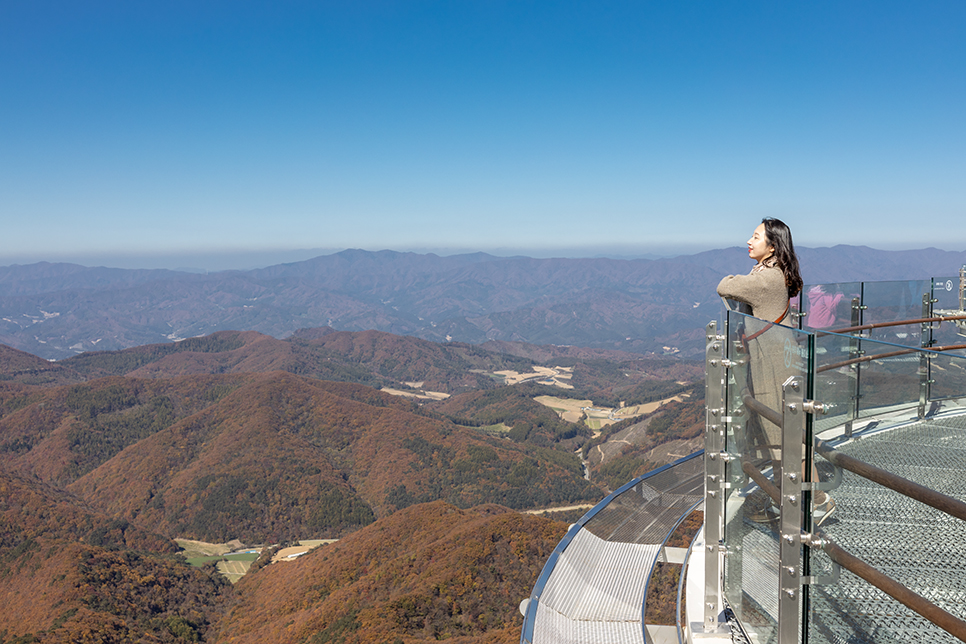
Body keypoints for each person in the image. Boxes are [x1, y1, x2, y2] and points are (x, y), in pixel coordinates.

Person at [716, 218, 834, 526]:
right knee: (780, 436)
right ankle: (784, 501)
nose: (748, 241)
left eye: (755, 237)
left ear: (772, 246)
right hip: (777, 359)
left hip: (773, 365)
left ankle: (819, 500)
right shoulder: (773, 274)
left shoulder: (766, 279)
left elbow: (724, 286)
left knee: (786, 437)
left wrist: (738, 275)